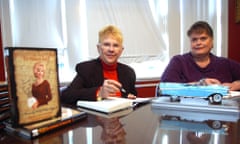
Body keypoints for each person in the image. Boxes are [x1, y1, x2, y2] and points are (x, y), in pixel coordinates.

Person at [61, 25, 137, 105]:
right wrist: (99, 92)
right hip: (94, 117)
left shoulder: (129, 72)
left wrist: (130, 98)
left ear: (121, 50)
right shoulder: (86, 69)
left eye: (116, 45)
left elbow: (133, 96)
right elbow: (67, 95)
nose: (111, 49)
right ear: (98, 48)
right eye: (106, 44)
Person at [161, 21, 240, 91]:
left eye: (203, 38)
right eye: (194, 40)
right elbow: (164, 87)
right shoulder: (178, 61)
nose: (198, 43)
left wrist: (235, 85)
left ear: (212, 41)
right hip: (188, 106)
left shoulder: (225, 63)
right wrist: (200, 84)